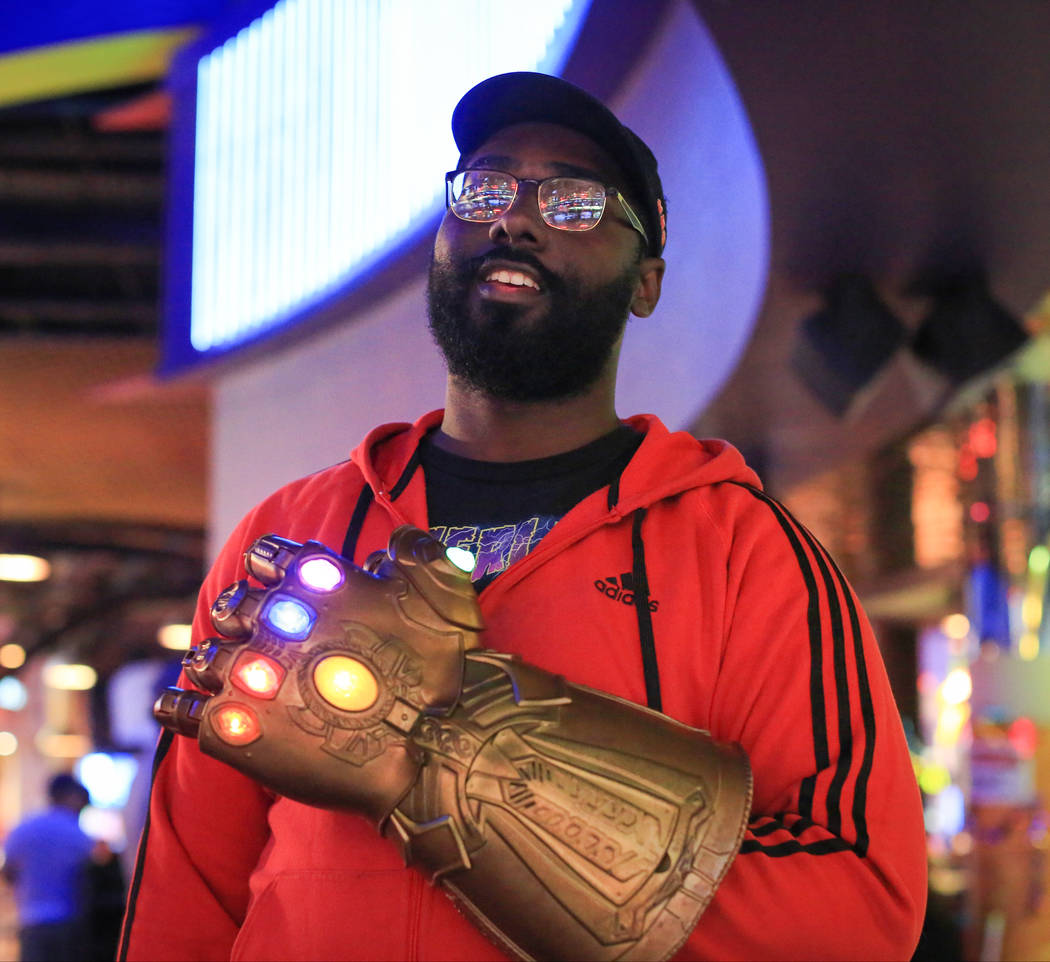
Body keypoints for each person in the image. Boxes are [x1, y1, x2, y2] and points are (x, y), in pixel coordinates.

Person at [119, 72, 927, 960]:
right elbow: (184, 888)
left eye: (577, 201)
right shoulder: (293, 528)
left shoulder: (746, 550)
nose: (514, 218)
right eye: (487, 187)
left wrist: (444, 750)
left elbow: (858, 902)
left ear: (646, 281)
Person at [3, 773, 95, 962]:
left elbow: (8, 871)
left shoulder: (23, 829)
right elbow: (91, 877)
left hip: (31, 921)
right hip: (69, 922)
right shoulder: (79, 834)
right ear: (70, 796)